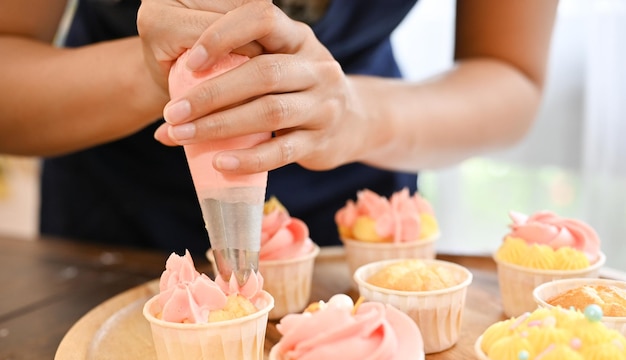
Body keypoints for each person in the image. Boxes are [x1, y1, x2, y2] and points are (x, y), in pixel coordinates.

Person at [0, 0, 559, 257]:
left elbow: (511, 73)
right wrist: (154, 74)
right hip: (114, 225)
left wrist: (355, 115)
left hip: (358, 225)